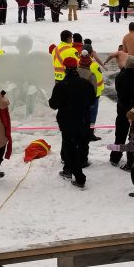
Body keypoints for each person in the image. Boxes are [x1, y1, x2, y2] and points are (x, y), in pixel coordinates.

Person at [49, 56, 94, 188]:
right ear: (76, 67)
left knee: (70, 147)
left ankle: (79, 177)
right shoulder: (86, 84)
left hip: (68, 121)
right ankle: (68, 169)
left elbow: (53, 104)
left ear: (65, 69)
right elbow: (92, 101)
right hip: (84, 120)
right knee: (79, 145)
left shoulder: (61, 86)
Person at [110, 56, 134, 167]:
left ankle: (115, 158)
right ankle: (132, 160)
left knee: (120, 136)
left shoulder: (120, 76)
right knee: (133, 136)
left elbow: (118, 90)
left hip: (122, 110)